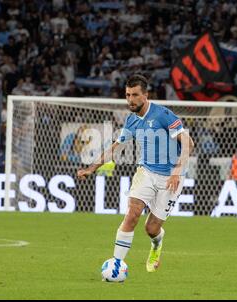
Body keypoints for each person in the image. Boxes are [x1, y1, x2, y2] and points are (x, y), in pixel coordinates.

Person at [77, 74, 194, 273]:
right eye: (127, 95)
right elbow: (115, 147)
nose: (130, 100)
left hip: (172, 178)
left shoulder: (163, 115)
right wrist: (92, 168)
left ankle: (157, 244)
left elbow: (188, 143)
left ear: (145, 95)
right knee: (132, 214)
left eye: (135, 95)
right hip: (146, 171)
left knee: (152, 229)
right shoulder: (131, 121)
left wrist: (177, 170)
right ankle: (116, 264)